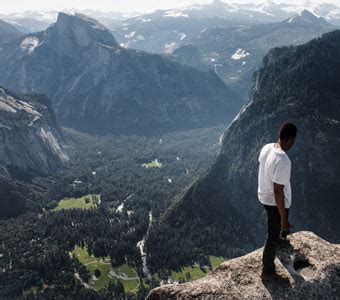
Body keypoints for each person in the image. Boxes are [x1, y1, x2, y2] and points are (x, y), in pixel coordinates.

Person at [257, 122, 297, 278]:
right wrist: (284, 218)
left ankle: (279, 241)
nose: (293, 144)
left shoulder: (267, 147)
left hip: (264, 195)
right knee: (272, 233)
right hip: (274, 201)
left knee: (276, 228)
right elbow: (278, 191)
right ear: (289, 138)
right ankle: (267, 270)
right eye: (293, 140)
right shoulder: (283, 160)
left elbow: (261, 165)